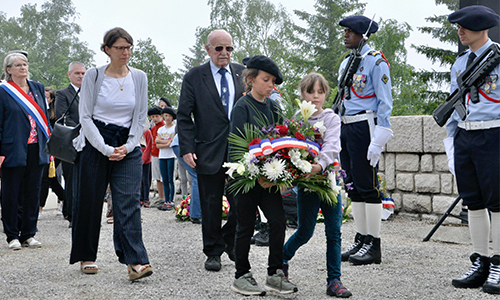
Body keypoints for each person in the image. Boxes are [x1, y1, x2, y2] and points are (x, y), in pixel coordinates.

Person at [70, 27, 152, 281]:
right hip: (96, 141)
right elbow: (85, 117)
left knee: (128, 203)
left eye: (128, 47)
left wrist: (128, 146)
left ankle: (135, 261)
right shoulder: (94, 76)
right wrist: (104, 148)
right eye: (119, 48)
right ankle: (87, 256)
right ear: (107, 49)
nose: (125, 52)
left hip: (127, 142)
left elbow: (140, 117)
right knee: (90, 201)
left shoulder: (139, 77)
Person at [229, 55, 297, 296]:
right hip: (246, 180)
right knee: (245, 227)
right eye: (266, 80)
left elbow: (281, 142)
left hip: (269, 179)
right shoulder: (242, 107)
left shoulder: (273, 107)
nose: (270, 85)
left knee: (278, 221)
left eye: (273, 81)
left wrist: (280, 174)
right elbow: (237, 146)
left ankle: (275, 273)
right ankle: (241, 275)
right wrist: (255, 175)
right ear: (251, 79)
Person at [177, 29, 244, 271]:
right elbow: (184, 117)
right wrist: (187, 147)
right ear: (208, 49)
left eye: (229, 48)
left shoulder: (242, 74)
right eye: (219, 48)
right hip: (207, 150)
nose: (224, 53)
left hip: (239, 151)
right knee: (211, 203)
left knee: (243, 202)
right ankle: (213, 251)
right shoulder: (194, 77)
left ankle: (229, 239)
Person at [445, 5, 500, 295]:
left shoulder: (498, 57)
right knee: (474, 202)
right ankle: (481, 260)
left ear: (482, 27)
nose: (460, 31)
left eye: (465, 26)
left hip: (494, 135)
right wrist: (451, 142)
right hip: (465, 137)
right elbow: (455, 106)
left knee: (498, 202)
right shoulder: (460, 62)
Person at [282, 72, 351, 298]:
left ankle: (334, 280)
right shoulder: (296, 120)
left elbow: (332, 145)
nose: (315, 97)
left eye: (320, 92)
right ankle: (281, 260)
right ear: (302, 94)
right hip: (307, 184)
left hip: (328, 181)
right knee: (305, 231)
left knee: (334, 232)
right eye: (310, 91)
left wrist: (319, 166)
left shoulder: (331, 118)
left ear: (326, 95)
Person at [337, 16, 393, 266]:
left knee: (368, 186)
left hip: (365, 125)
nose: (346, 35)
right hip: (347, 125)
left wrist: (379, 137)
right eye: (346, 31)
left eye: (351, 32)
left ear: (363, 35)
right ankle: (361, 238)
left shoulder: (376, 62)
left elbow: (384, 101)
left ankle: (374, 243)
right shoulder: (347, 62)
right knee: (354, 186)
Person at [0, 52, 50, 250]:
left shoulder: (37, 88)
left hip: (36, 147)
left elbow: (44, 117)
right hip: (12, 149)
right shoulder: (3, 91)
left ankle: (29, 233)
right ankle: (12, 235)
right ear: (8, 69)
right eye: (18, 65)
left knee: (33, 192)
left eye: (25, 64)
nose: (23, 68)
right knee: (11, 193)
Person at [55, 61, 86, 226]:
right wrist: (83, 129)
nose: (81, 76)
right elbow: (62, 117)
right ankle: (73, 216)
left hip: (90, 143)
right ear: (69, 74)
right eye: (77, 73)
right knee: (72, 180)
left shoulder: (90, 93)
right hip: (71, 144)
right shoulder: (63, 94)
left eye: (83, 73)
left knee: (87, 181)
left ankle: (85, 215)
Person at [39, 86, 65, 219]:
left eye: (46, 97)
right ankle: (65, 200)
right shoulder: (39, 112)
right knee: (52, 180)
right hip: (43, 149)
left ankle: (40, 208)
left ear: (51, 99)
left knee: (46, 178)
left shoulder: (56, 117)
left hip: (54, 151)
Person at [171, 132, 202, 224]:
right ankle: (196, 214)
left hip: (181, 143)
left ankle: (196, 212)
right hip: (184, 144)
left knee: (196, 176)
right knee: (197, 176)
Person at [156, 106, 176, 211]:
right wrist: (166, 142)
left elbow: (171, 143)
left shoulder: (174, 128)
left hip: (171, 155)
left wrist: (163, 142)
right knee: (164, 179)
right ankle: (166, 199)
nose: (167, 118)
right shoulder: (161, 129)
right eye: (165, 115)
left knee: (170, 178)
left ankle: (171, 200)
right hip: (162, 156)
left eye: (169, 116)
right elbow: (157, 143)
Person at [148, 106, 165, 207]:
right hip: (154, 154)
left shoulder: (163, 127)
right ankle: (161, 197)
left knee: (165, 177)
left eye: (157, 116)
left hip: (163, 154)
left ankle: (168, 198)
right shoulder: (153, 128)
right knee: (157, 177)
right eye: (152, 116)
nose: (154, 119)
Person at [140, 118, 153, 208]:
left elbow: (149, 147)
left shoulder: (147, 132)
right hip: (138, 159)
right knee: (139, 180)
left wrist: (143, 159)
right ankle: (140, 198)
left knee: (146, 179)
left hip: (146, 160)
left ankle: (146, 198)